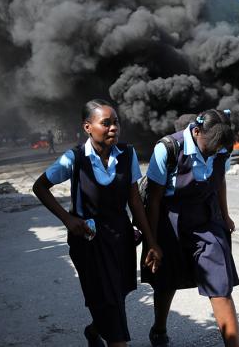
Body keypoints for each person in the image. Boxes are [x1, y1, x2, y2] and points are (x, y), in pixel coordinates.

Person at [32, 99, 162, 347]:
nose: (114, 128)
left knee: (116, 296)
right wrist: (68, 218)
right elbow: (40, 187)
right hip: (89, 243)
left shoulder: (127, 154)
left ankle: (94, 331)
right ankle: (115, 338)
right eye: (106, 123)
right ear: (87, 127)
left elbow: (135, 202)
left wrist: (151, 242)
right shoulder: (74, 159)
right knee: (108, 300)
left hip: (120, 239)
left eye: (116, 122)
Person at [143, 109, 239, 347]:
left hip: (207, 219)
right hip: (171, 220)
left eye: (221, 149)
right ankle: (159, 329)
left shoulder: (222, 147)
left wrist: (225, 216)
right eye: (212, 147)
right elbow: (154, 199)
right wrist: (152, 242)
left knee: (220, 283)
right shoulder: (167, 148)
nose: (216, 152)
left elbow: (220, 182)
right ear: (196, 132)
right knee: (166, 281)